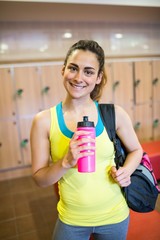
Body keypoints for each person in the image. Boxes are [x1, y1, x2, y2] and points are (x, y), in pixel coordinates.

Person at [30, 40, 143, 240]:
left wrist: (126, 170)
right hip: (71, 221)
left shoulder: (115, 114)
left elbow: (136, 150)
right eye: (73, 68)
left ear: (99, 77)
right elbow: (40, 179)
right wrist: (65, 162)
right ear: (63, 70)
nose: (79, 77)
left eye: (88, 72)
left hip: (115, 217)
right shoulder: (44, 121)